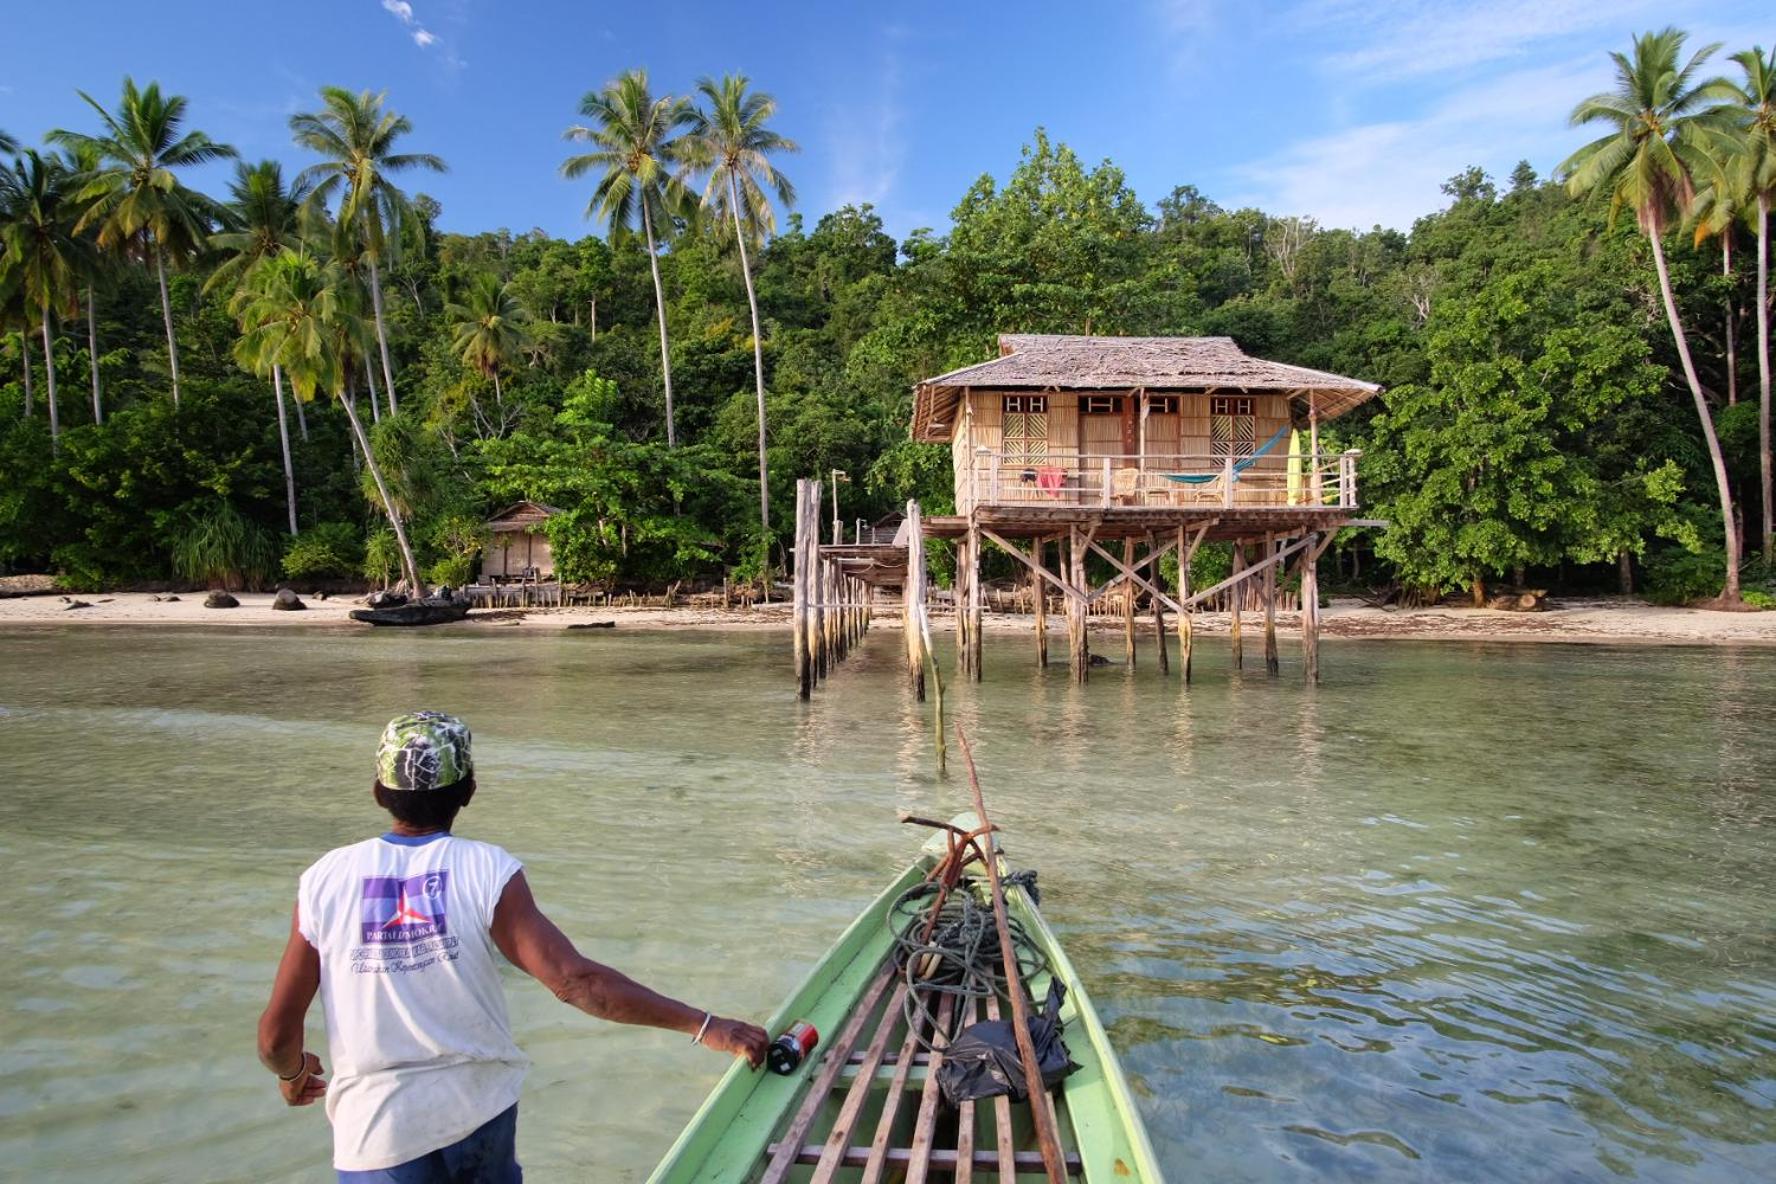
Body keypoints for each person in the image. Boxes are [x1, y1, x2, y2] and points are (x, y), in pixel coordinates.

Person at [258, 711, 768, 1181]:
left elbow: (275, 1036)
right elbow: (575, 982)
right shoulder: (486, 869)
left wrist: (293, 1072)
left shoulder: (324, 880)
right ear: (469, 791)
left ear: (377, 792)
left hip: (376, 1137)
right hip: (478, 1115)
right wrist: (706, 1026)